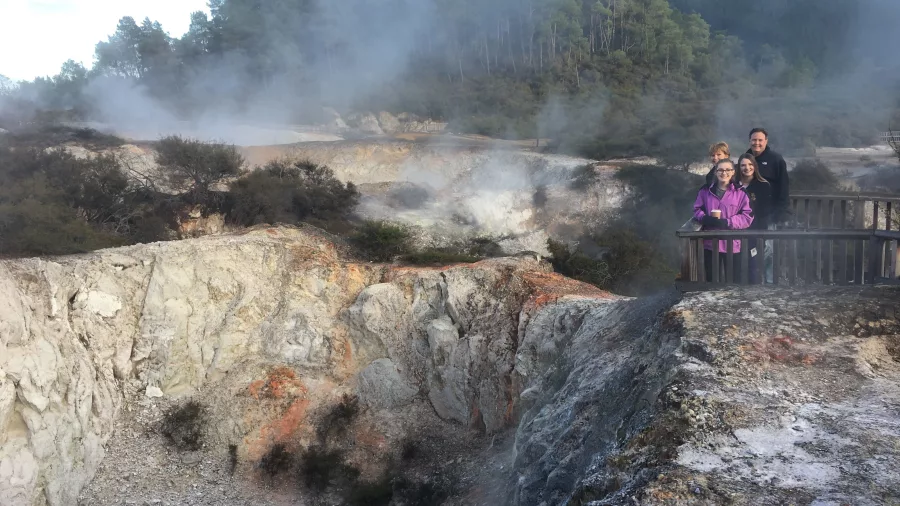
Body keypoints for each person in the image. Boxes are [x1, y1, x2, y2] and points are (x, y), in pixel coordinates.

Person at [693, 159, 754, 281]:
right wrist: (705, 218)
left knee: (732, 280)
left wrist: (727, 222)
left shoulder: (741, 192)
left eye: (727, 170)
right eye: (720, 169)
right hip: (710, 243)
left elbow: (747, 217)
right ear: (715, 172)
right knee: (712, 279)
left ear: (733, 172)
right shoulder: (705, 190)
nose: (724, 173)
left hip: (732, 243)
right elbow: (696, 209)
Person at [736, 153, 773, 283]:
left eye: (750, 164)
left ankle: (754, 291)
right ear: (738, 167)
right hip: (735, 231)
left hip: (755, 231)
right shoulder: (733, 185)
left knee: (753, 265)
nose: (747, 168)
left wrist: (761, 235)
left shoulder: (763, 185)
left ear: (755, 166)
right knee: (736, 265)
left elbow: (764, 213)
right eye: (743, 165)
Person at [746, 128, 790, 224]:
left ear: (766, 141)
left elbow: (783, 187)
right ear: (749, 141)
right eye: (754, 140)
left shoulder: (776, 159)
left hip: (770, 214)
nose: (756, 143)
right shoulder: (745, 159)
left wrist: (780, 213)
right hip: (748, 214)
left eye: (760, 140)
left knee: (767, 239)